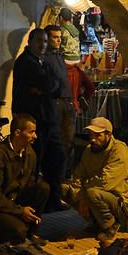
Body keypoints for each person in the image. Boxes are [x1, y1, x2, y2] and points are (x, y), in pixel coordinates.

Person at [61, 117, 128, 245]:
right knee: (64, 189)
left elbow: (106, 182)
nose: (93, 139)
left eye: (98, 135)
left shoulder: (119, 150)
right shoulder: (89, 150)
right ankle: (96, 223)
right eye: (91, 135)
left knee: (92, 193)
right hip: (94, 192)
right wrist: (80, 197)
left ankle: (110, 225)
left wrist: (84, 196)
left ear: (108, 134)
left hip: (119, 199)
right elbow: (79, 175)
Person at [12, 28, 66, 211]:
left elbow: (58, 86)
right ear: (30, 42)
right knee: (33, 164)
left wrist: (46, 87)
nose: (42, 45)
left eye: (45, 41)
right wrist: (47, 85)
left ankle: (53, 200)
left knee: (56, 159)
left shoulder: (44, 62)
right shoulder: (25, 62)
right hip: (34, 121)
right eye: (39, 41)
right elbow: (50, 84)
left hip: (49, 119)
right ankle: (32, 204)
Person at [0, 113, 50, 244]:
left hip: (14, 200)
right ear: (17, 133)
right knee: (18, 230)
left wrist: (26, 208)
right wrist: (20, 211)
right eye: (31, 132)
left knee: (43, 187)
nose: (35, 136)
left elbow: (31, 181)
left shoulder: (29, 153)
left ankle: (31, 233)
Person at [44, 24, 73, 209]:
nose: (58, 40)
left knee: (67, 147)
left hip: (65, 104)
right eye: (54, 37)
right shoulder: (45, 58)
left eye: (59, 37)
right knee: (57, 151)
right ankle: (54, 194)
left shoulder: (58, 56)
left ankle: (60, 189)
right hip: (55, 104)